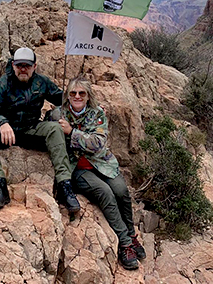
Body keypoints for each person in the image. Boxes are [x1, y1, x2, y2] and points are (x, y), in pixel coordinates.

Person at [56, 75, 146, 270]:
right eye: (73, 93)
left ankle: (131, 234)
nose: (77, 96)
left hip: (101, 163)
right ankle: (125, 244)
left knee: (121, 191)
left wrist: (71, 132)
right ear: (68, 95)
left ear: (88, 96)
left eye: (82, 93)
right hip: (76, 169)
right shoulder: (58, 115)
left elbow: (97, 143)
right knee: (105, 192)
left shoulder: (97, 114)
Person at [0, 47, 81, 214]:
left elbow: (65, 100)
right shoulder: (3, 83)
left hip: (32, 130)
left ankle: (64, 185)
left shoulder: (42, 82)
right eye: (19, 65)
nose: (23, 69)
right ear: (13, 65)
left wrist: (91, 108)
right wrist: (2, 122)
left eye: (27, 65)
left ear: (35, 66)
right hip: (7, 134)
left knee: (54, 128)